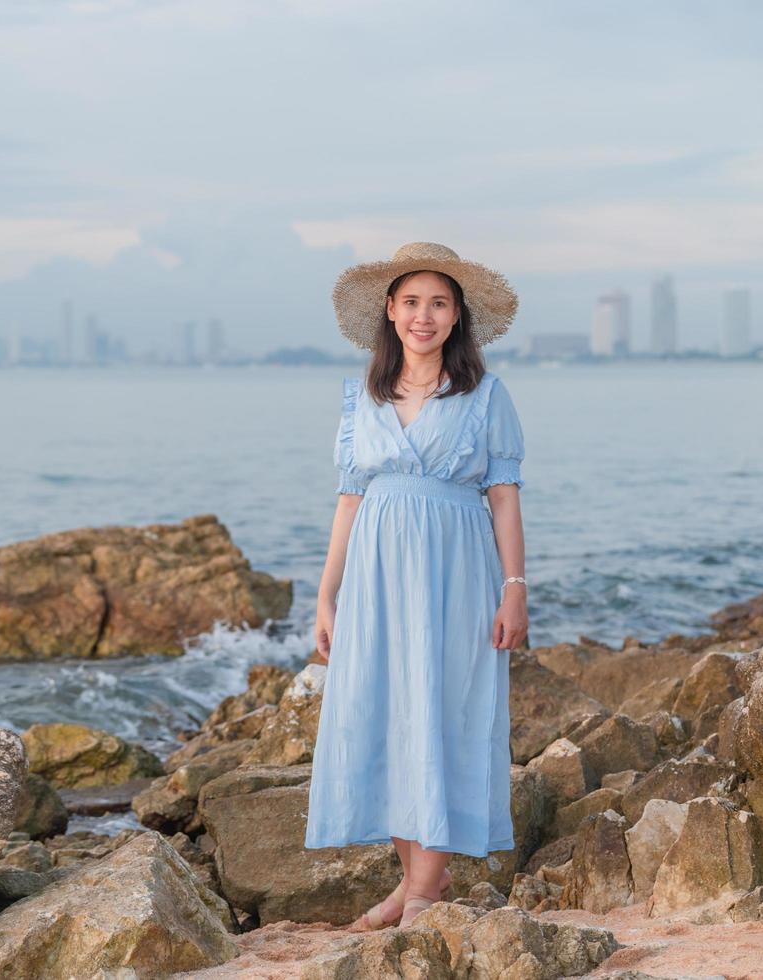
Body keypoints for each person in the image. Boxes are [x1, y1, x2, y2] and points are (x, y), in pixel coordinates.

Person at [303, 241, 529, 930]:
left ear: (456, 316)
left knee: (444, 708)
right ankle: (412, 883)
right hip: (374, 574)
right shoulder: (360, 399)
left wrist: (514, 586)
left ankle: (426, 893)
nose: (422, 316)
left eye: (437, 303)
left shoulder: (485, 396)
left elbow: (503, 497)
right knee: (384, 710)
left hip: (458, 570)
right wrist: (325, 595)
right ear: (390, 313)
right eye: (410, 302)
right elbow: (348, 502)